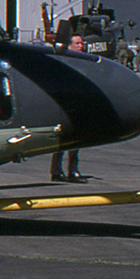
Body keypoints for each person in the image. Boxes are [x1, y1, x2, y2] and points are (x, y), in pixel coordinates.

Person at [52, 33, 86, 182]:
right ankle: (57, 171)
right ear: (69, 45)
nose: (81, 46)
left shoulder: (82, 61)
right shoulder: (63, 61)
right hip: (64, 105)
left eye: (81, 43)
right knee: (62, 141)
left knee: (76, 141)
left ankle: (72, 170)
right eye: (78, 43)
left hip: (78, 103)